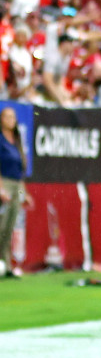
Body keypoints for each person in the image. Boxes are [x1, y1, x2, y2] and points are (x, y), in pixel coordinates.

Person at [0, 105, 26, 277]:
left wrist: (24, 193)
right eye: (7, 116)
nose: (11, 120)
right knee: (1, 226)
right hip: (4, 183)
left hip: (16, 185)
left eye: (13, 117)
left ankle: (7, 265)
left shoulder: (16, 139)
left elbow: (20, 168)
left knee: (10, 227)